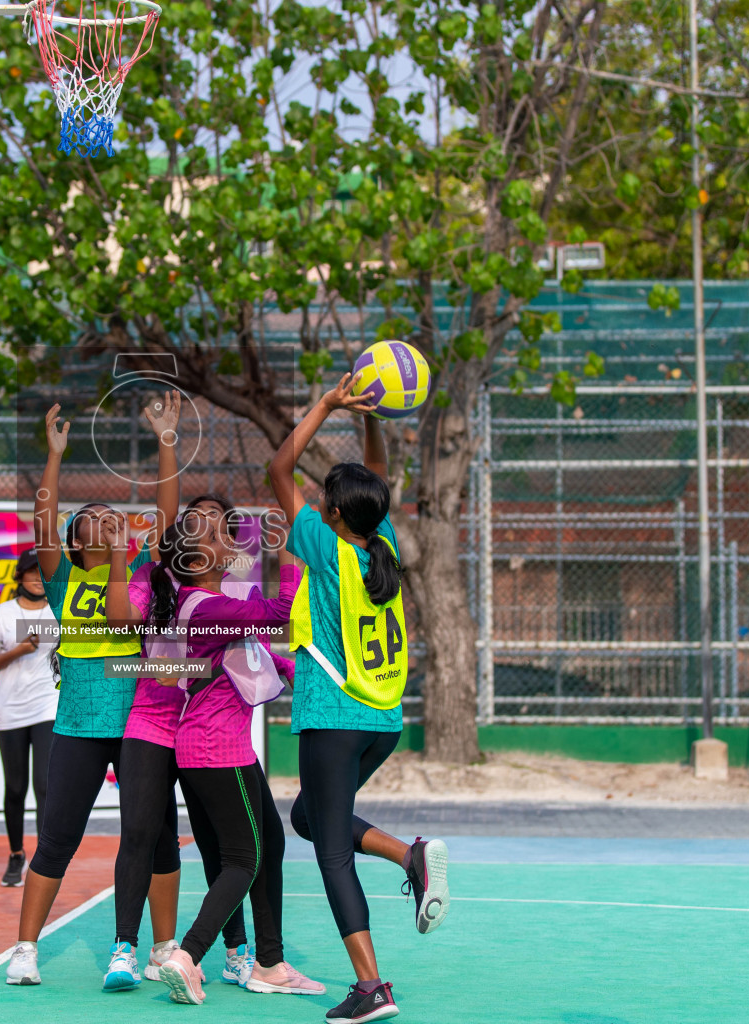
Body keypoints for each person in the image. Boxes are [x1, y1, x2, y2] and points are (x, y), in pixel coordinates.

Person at [265, 372, 451, 1024]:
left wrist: (328, 403)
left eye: (323, 500)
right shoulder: (381, 547)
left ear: (335, 515)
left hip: (334, 715)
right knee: (311, 819)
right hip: (382, 720)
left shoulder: (323, 545)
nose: (314, 504)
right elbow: (376, 477)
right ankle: (410, 855)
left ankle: (372, 986)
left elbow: (278, 467)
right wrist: (373, 414)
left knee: (329, 852)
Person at [6, 393, 182, 987]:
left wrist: (165, 441)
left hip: (139, 724)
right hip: (79, 724)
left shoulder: (138, 574)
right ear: (77, 540)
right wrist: (55, 457)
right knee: (58, 837)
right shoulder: (61, 577)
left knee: (155, 834)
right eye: (95, 519)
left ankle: (161, 948)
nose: (108, 520)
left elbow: (165, 512)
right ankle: (25, 949)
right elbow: (42, 516)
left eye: (115, 516)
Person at [145, 515, 326, 1005]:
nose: (230, 540)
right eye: (216, 536)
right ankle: (188, 956)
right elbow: (283, 610)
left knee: (270, 847)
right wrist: (291, 545)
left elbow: (254, 657)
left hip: (218, 748)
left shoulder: (210, 607)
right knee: (243, 859)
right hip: (215, 749)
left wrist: (304, 674)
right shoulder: (206, 608)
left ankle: (269, 964)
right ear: (198, 559)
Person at [105, 496, 263, 989]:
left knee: (222, 846)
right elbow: (119, 623)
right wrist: (168, 439)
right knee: (141, 835)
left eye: (219, 523)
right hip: (152, 722)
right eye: (199, 520)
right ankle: (126, 950)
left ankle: (237, 952)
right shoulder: (155, 576)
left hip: (204, 727)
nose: (210, 528)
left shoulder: (233, 585)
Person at [0, 550, 59, 887]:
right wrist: (18, 650)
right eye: (31, 573)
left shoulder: (57, 609)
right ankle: (16, 855)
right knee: (16, 788)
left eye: (42, 574)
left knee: (44, 784)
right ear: (20, 577)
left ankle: (42, 859)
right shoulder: (3, 613)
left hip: (46, 705)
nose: (38, 580)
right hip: (10, 709)